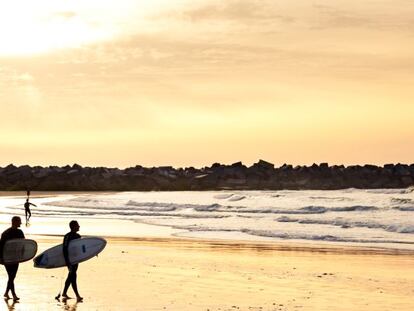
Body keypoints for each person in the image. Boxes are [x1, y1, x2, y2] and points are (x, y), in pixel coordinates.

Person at [0, 216, 25, 301]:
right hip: (7, 258)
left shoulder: (20, 232)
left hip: (16, 258)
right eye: (19, 221)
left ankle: (6, 292)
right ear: (14, 222)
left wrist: (23, 255)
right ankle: (13, 294)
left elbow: (23, 244)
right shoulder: (6, 233)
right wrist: (1, 259)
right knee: (11, 276)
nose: (20, 223)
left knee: (12, 276)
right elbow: (1, 247)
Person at [62, 220, 83, 301]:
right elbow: (64, 249)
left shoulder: (78, 236)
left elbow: (81, 248)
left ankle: (64, 292)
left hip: (76, 259)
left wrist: (92, 253)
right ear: (73, 226)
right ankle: (77, 295)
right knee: (73, 276)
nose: (79, 226)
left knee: (71, 276)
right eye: (78, 225)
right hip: (70, 259)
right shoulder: (67, 236)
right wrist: (67, 262)